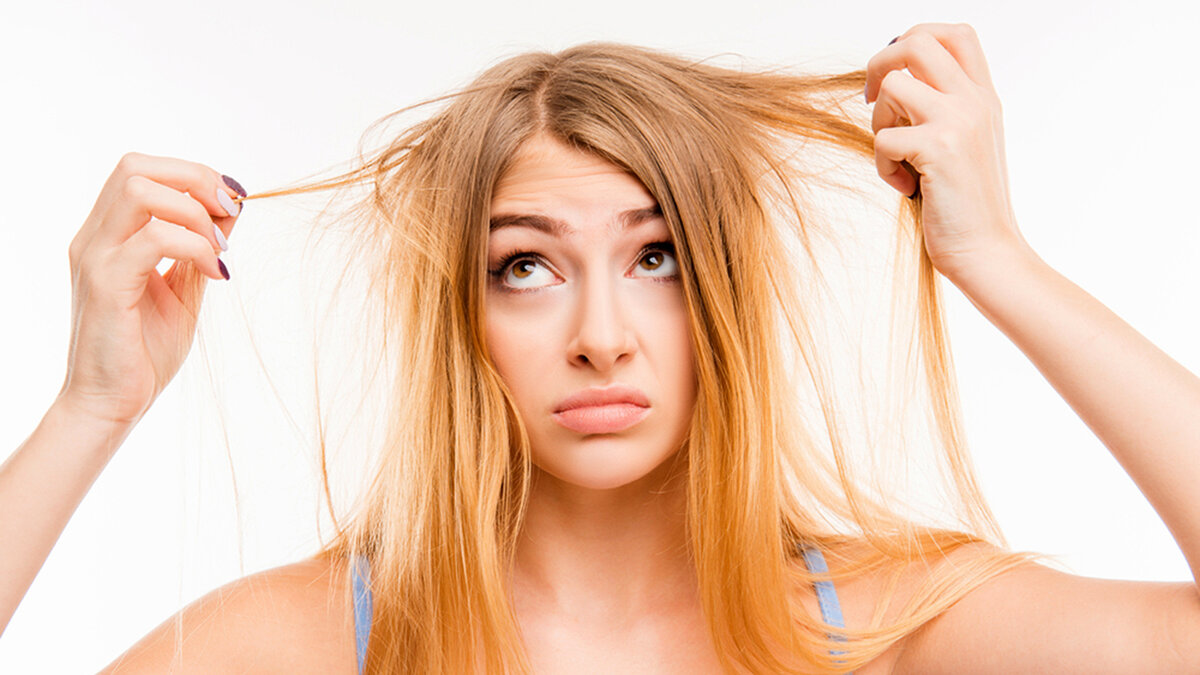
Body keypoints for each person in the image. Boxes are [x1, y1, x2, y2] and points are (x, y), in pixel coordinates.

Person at [2, 21, 1198, 673]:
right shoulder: (316, 644)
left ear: (727, 291)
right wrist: (88, 410)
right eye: (525, 267)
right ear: (462, 315)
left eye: (658, 257)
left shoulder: (880, 627)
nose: (602, 339)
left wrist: (997, 260)